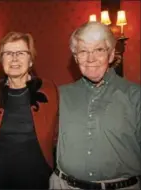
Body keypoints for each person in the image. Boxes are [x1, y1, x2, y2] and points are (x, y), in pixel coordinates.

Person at [50, 21, 141, 189]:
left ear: (111, 54)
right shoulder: (59, 95)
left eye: (99, 50)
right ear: (76, 57)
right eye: (83, 51)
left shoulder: (136, 96)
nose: (91, 58)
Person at [0, 31, 59, 189]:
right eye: (8, 53)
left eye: (21, 53)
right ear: (1, 60)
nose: (14, 58)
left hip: (36, 177)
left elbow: (57, 134)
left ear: (31, 60)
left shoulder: (49, 90)